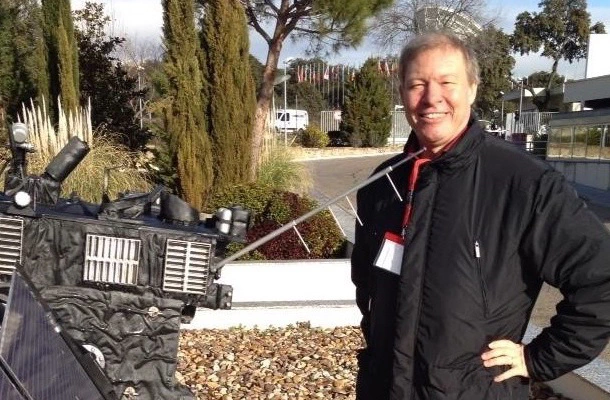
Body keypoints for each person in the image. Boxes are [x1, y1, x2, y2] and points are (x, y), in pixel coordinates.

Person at [351, 31, 610, 400]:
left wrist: (538, 359)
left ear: (472, 89)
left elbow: (600, 281)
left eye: (446, 82)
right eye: (417, 84)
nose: (431, 98)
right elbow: (367, 283)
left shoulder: (522, 182)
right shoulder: (382, 185)